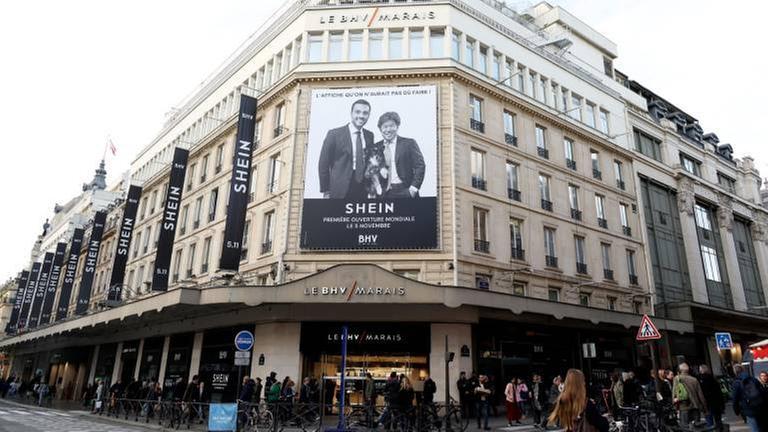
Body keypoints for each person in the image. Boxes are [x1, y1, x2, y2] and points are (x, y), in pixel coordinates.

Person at [318, 99, 375, 199]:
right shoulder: (334, 134)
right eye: (357, 112)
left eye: (365, 113)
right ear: (351, 113)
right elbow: (323, 164)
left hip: (362, 188)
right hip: (339, 188)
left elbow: (369, 162)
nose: (361, 116)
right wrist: (326, 190)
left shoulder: (369, 135)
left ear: (369, 115)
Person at [374, 111, 426, 199]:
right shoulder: (376, 147)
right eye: (385, 127)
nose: (388, 130)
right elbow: (372, 170)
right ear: (380, 129)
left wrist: (413, 189)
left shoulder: (409, 143)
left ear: (397, 127)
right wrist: (377, 188)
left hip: (405, 190)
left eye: (391, 126)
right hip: (384, 194)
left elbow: (420, 166)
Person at [732, 364, 765, 432]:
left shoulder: (736, 383)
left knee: (754, 429)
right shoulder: (753, 379)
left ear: (735, 372)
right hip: (759, 406)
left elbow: (735, 398)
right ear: (743, 370)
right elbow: (762, 392)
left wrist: (736, 411)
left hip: (748, 409)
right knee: (761, 427)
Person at [673, 363, 708, 428]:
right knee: (697, 426)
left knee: (685, 427)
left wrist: (675, 407)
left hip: (684, 407)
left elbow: (675, 394)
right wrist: (704, 408)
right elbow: (700, 395)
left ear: (680, 370)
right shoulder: (694, 379)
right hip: (695, 406)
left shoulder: (677, 378)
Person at [698, 365, 724, 431]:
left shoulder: (700, 380)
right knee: (718, 421)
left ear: (701, 371)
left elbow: (701, 394)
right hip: (716, 403)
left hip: (707, 404)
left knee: (709, 422)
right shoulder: (713, 378)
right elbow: (719, 392)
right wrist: (722, 405)